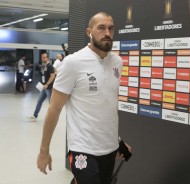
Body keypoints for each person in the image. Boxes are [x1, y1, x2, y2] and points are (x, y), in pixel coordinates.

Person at [37, 12, 132, 184]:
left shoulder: (117, 62)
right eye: (101, 28)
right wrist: (44, 150)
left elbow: (108, 105)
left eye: (111, 28)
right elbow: (54, 109)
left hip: (109, 148)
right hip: (83, 148)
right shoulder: (73, 62)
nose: (107, 33)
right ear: (89, 32)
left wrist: (118, 141)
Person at [27, 53, 55, 121]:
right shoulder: (43, 66)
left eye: (44, 57)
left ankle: (52, 118)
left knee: (51, 104)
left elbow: (52, 76)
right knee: (39, 102)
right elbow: (43, 75)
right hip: (43, 87)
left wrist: (47, 84)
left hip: (49, 88)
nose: (43, 59)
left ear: (47, 58)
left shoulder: (50, 66)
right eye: (42, 57)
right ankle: (34, 116)